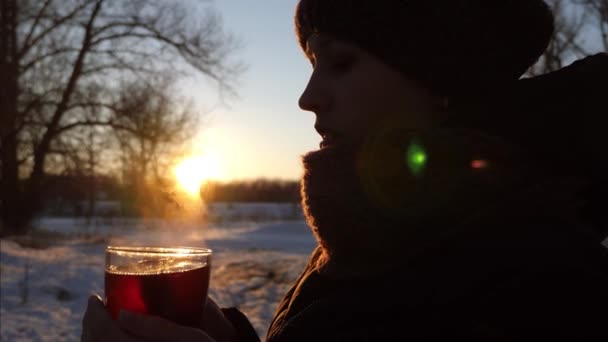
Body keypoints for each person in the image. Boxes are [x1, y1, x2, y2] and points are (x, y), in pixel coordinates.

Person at [82, 0, 608, 341]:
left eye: (340, 63)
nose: (308, 99)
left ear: (439, 80)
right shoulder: (383, 222)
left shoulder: (538, 274)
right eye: (311, 65)